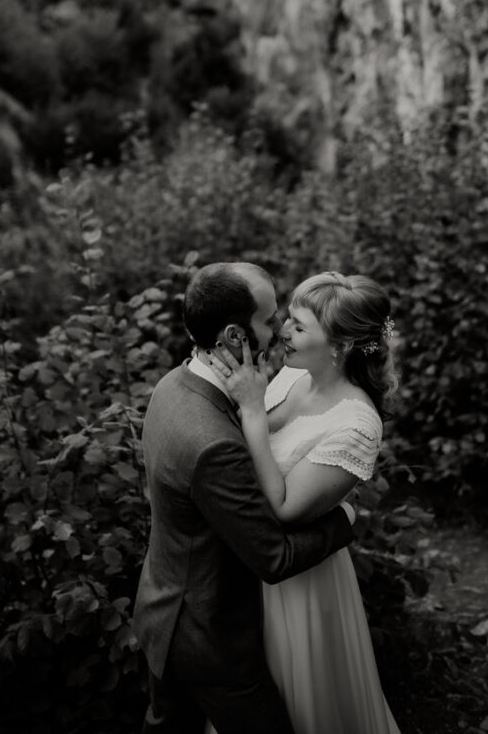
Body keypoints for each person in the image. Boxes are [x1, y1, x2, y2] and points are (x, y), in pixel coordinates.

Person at [132, 261, 355, 734]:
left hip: (161, 610)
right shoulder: (212, 442)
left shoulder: (175, 384)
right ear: (235, 336)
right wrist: (346, 522)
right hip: (208, 639)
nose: (279, 330)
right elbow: (273, 559)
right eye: (269, 319)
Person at [206, 270, 402, 734]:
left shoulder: (356, 423)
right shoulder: (293, 378)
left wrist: (252, 410)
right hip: (247, 562)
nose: (282, 332)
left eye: (298, 326)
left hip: (298, 586)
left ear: (341, 345)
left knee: (299, 702)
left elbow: (286, 508)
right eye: (286, 320)